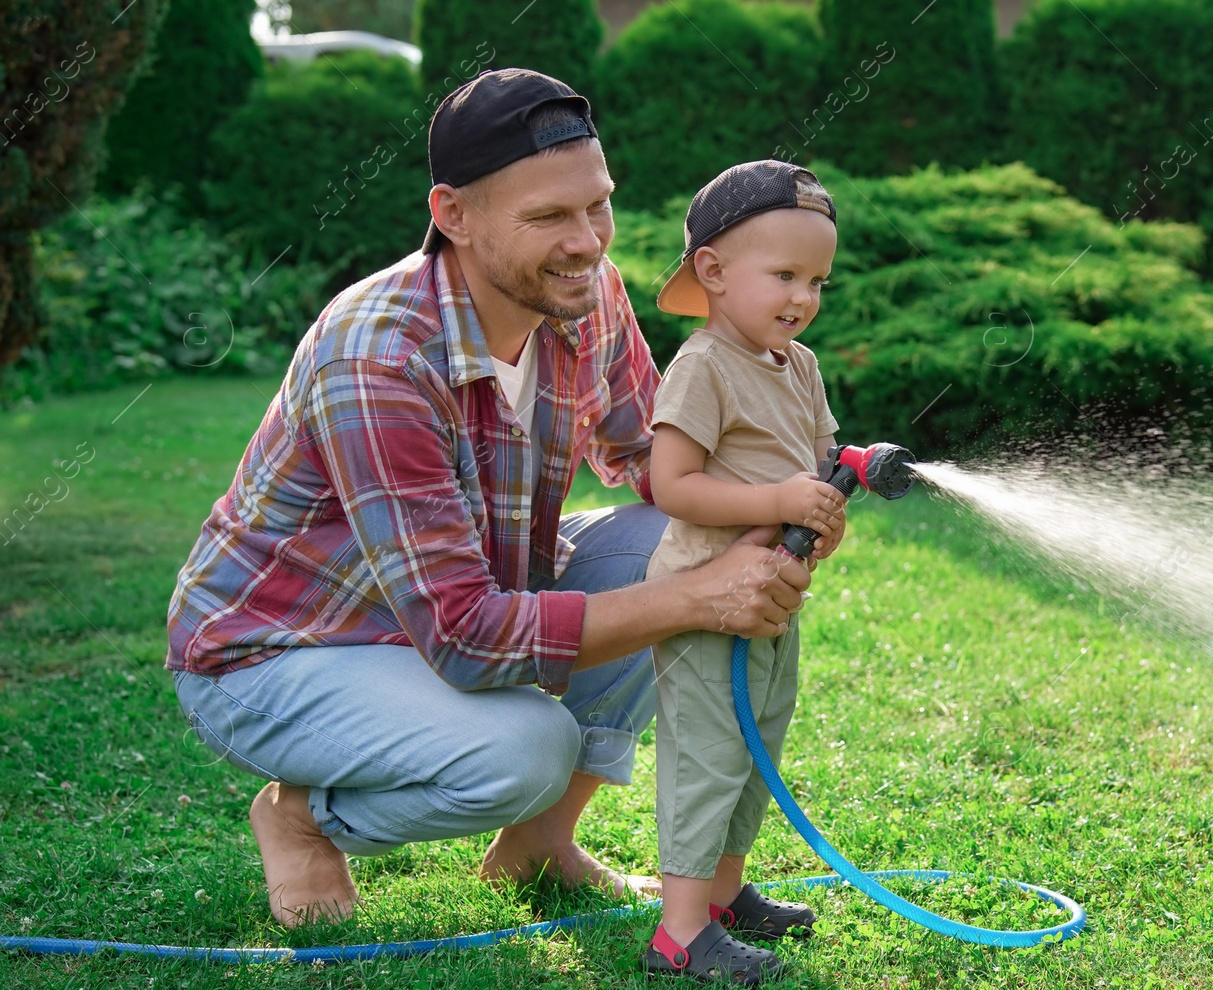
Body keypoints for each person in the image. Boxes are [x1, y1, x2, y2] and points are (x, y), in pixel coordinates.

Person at [165, 70, 815, 928]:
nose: (586, 242)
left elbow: (653, 463)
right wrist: (698, 593)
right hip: (279, 651)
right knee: (525, 748)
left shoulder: (584, 292)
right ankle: (299, 814)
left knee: (678, 537)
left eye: (598, 206)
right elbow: (466, 635)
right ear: (453, 215)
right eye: (548, 217)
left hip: (444, 605)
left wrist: (775, 507)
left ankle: (538, 844)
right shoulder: (379, 357)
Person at [639, 160, 849, 985]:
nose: (802, 297)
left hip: (771, 599)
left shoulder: (799, 366)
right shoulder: (703, 364)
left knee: (760, 746)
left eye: (818, 280)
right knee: (710, 758)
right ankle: (681, 934)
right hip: (703, 602)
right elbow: (671, 484)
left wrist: (824, 510)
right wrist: (780, 494)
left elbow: (823, 462)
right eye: (785, 274)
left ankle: (724, 900)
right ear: (715, 273)